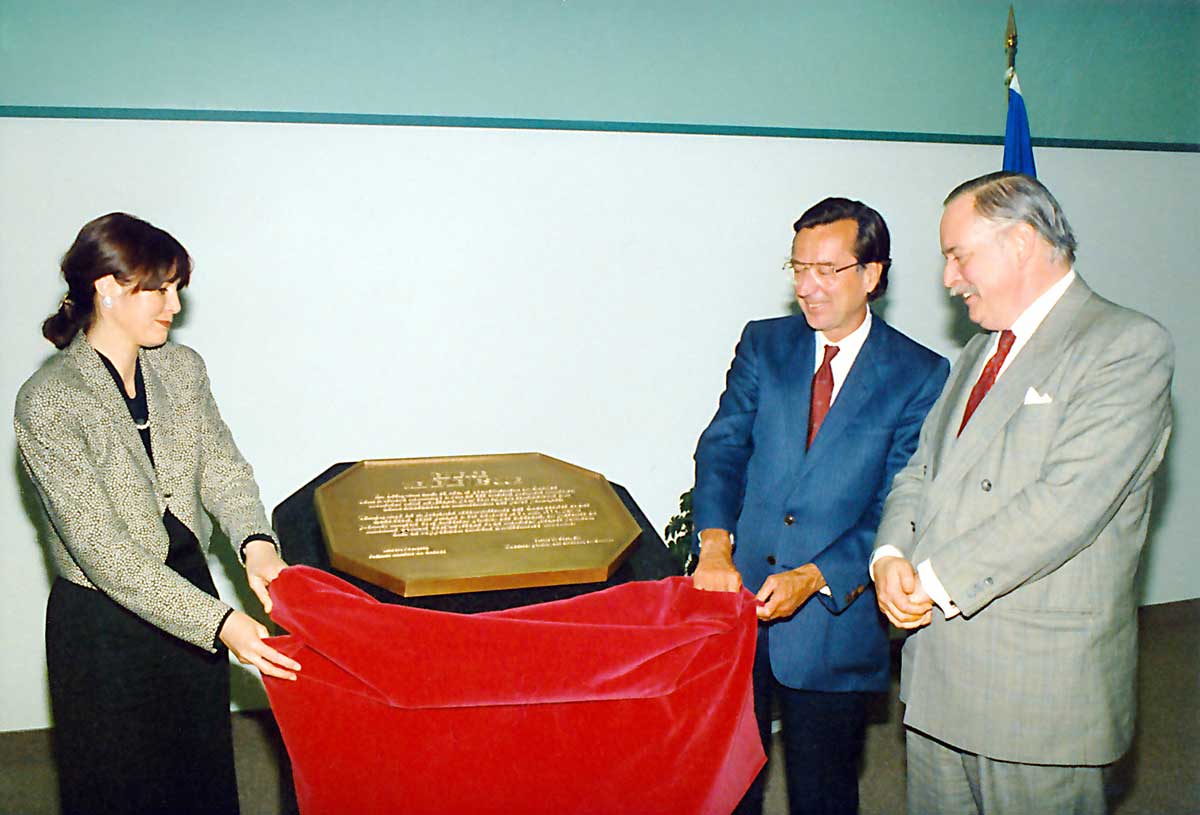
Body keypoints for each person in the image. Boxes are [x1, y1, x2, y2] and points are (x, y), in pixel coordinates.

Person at [872, 172, 1174, 815]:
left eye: (959, 255)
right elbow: (919, 470)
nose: (950, 278)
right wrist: (890, 555)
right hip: (937, 677)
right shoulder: (978, 353)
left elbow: (1065, 505)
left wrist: (929, 580)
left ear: (1021, 242)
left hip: (1034, 691)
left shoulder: (1123, 346)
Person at [13, 213, 302, 815]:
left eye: (177, 289)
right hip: (104, 625)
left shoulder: (182, 369)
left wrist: (256, 545)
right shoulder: (48, 402)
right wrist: (224, 624)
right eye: (161, 288)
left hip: (191, 595)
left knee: (199, 776)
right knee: (120, 787)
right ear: (109, 288)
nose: (174, 305)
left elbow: (223, 470)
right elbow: (104, 552)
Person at [691, 197, 949, 815]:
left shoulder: (919, 372)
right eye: (798, 267)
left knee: (824, 792)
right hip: (736, 605)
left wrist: (815, 576)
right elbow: (723, 448)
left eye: (827, 270)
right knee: (728, 785)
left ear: (872, 274)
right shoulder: (764, 343)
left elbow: (898, 503)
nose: (807, 287)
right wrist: (715, 546)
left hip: (835, 621)